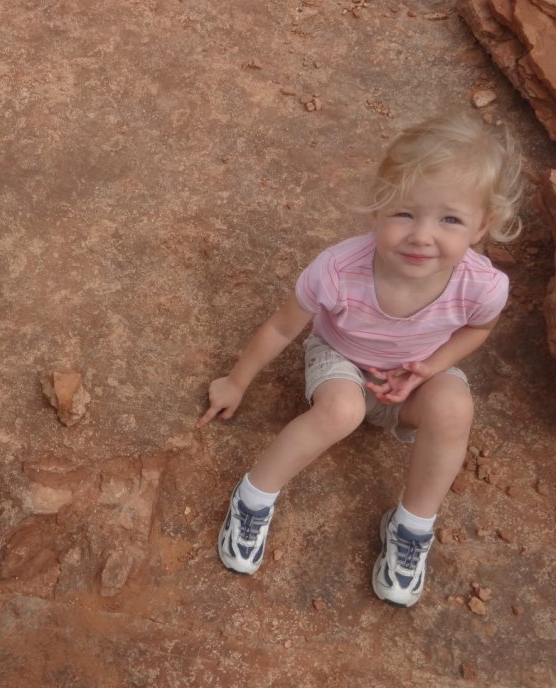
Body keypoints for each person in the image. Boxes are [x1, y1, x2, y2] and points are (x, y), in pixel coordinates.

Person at [197, 112, 522, 607]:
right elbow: (283, 327)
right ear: (376, 211)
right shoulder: (338, 270)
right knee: (342, 412)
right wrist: (236, 382)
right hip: (341, 361)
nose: (422, 236)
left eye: (450, 219)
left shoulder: (483, 285)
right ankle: (254, 496)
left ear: (483, 226)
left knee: (455, 408)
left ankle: (412, 527)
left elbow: (479, 328)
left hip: (414, 375)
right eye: (404, 213)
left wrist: (431, 368)